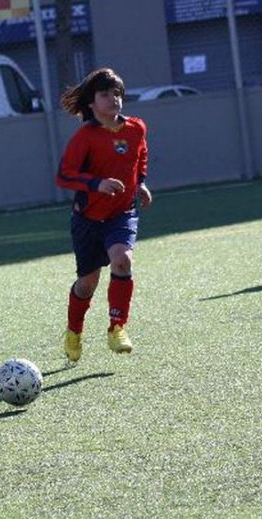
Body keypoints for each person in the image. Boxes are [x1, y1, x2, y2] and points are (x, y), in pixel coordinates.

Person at [55, 67, 151, 363]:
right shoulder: (86, 136)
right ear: (92, 102)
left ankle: (117, 327)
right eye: (105, 94)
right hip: (88, 219)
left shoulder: (136, 128)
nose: (114, 99)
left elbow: (140, 157)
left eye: (117, 93)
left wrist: (141, 183)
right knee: (87, 285)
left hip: (122, 213)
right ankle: (74, 331)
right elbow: (64, 176)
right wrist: (97, 183)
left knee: (122, 261)